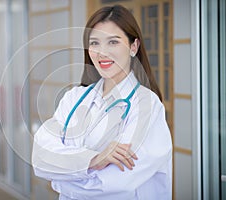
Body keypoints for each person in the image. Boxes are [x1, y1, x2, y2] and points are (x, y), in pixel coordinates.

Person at [32, 5, 172, 200]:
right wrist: (94, 160)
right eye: (95, 43)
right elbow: (41, 158)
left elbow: (115, 185)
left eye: (113, 42)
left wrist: (60, 181)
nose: (102, 52)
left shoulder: (147, 105)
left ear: (134, 47)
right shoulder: (73, 98)